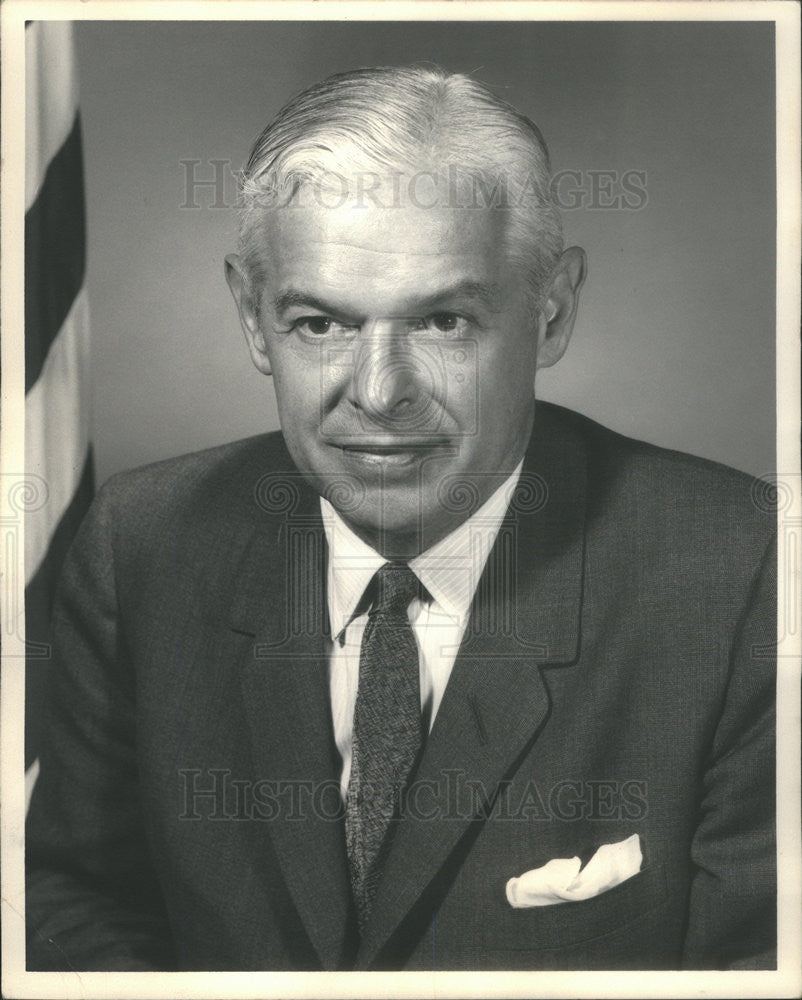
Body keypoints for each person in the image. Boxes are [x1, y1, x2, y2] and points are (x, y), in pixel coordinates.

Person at [26, 65, 776, 972]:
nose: (379, 395)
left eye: (444, 323)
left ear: (553, 311)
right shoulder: (140, 545)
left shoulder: (742, 572)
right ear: (253, 320)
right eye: (319, 325)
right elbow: (75, 905)